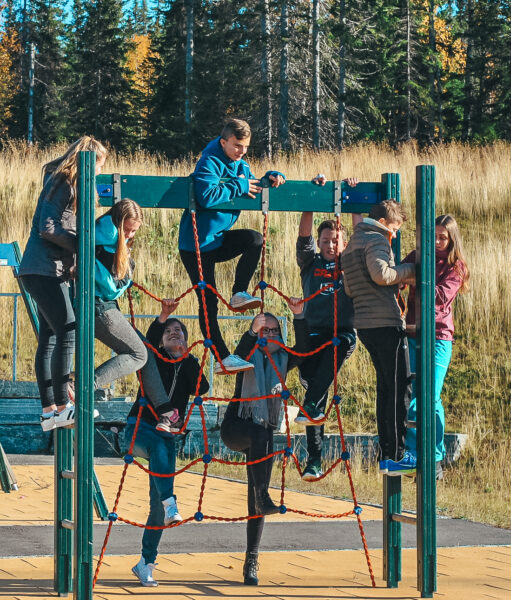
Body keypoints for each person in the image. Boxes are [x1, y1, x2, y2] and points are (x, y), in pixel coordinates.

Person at [177, 118, 286, 375]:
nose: (242, 151)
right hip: (196, 244)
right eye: (237, 145)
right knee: (208, 302)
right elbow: (206, 195)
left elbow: (251, 184)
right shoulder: (209, 161)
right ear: (223, 141)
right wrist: (238, 184)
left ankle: (239, 293)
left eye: (246, 146)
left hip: (218, 239)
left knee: (254, 239)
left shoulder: (241, 164)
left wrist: (272, 177)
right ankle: (223, 358)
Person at [18, 136, 108, 433]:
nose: (98, 173)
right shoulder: (66, 183)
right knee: (68, 329)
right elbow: (47, 226)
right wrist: (82, 244)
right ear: (87, 161)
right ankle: (61, 404)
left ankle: (49, 412)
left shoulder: (59, 181)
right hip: (44, 269)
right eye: (98, 166)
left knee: (50, 339)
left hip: (41, 268)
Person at [219, 300, 306, 586]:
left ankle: (251, 560)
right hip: (236, 426)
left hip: (263, 431)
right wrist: (251, 332)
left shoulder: (284, 358)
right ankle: (262, 496)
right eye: (263, 330)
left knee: (257, 495)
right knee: (260, 442)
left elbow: (305, 348)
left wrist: (298, 316)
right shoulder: (246, 355)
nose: (268, 334)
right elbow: (234, 357)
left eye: (273, 330)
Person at [127, 298, 210, 587]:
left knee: (156, 508)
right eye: (169, 332)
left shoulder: (187, 365)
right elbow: (148, 341)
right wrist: (164, 315)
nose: (175, 334)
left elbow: (203, 387)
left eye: (179, 332)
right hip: (139, 428)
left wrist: (187, 358)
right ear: (162, 342)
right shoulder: (154, 359)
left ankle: (146, 563)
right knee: (159, 446)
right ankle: (171, 502)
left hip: (167, 435)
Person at [341, 200, 417, 476]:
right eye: (394, 229)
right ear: (384, 223)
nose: (394, 235)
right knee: (399, 388)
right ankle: (395, 454)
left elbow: (349, 288)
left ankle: (387, 454)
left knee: (386, 388)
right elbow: (382, 274)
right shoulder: (377, 240)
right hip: (385, 322)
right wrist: (410, 272)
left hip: (365, 324)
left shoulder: (352, 243)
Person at [293, 178, 359, 480]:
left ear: (343, 243)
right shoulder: (310, 262)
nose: (330, 245)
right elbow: (303, 234)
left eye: (335, 241)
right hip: (311, 334)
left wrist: (354, 197)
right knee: (313, 388)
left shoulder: (350, 262)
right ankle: (314, 458)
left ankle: (315, 458)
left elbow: (362, 234)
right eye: (326, 241)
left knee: (338, 347)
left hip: (340, 333)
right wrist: (311, 196)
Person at [401, 214, 469, 478]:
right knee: (411, 392)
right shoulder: (417, 255)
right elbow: (396, 274)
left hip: (439, 335)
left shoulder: (456, 266)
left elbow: (439, 296)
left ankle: (433, 456)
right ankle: (415, 454)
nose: (438, 242)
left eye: (443, 237)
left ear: (452, 239)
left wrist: (415, 278)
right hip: (413, 331)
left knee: (429, 394)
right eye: (434, 236)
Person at [93, 199, 151, 394]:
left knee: (145, 350)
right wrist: (127, 279)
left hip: (101, 305)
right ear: (117, 223)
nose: (129, 235)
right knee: (139, 354)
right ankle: (85, 386)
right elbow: (111, 289)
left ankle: (164, 410)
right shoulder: (104, 242)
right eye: (126, 230)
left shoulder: (105, 238)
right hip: (100, 307)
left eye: (134, 231)